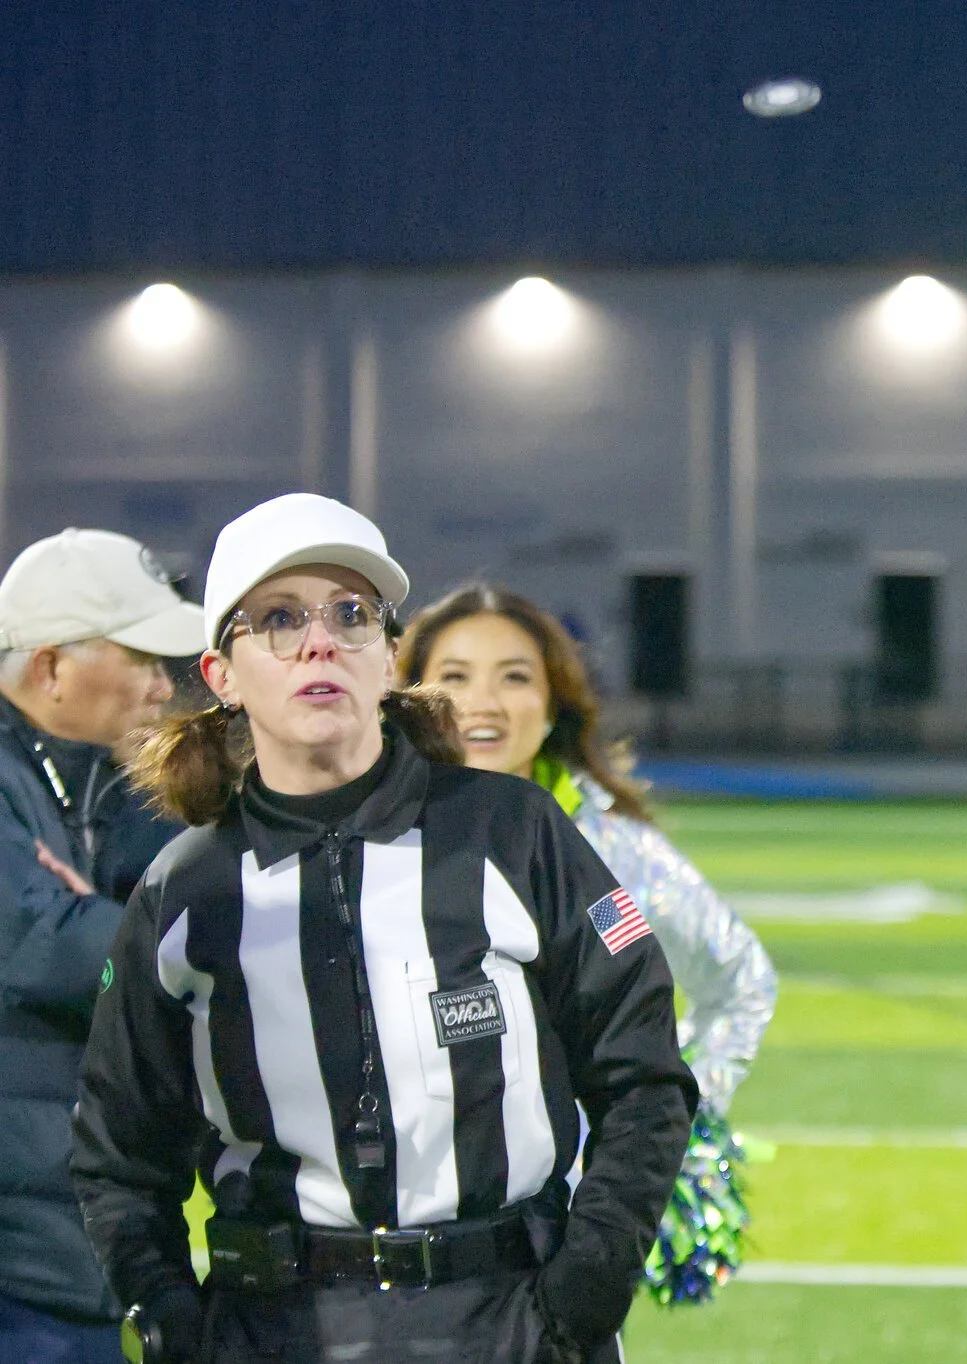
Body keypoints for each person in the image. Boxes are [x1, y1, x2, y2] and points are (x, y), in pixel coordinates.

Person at [70, 494, 696, 1364]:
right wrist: (180, 1328)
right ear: (221, 674)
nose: (320, 641)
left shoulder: (510, 833)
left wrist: (581, 1297)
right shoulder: (186, 892)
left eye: (351, 615)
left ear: (391, 656)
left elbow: (644, 1078)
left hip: (512, 1320)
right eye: (279, 619)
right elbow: (119, 1158)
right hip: (274, 1328)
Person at [395, 583, 776, 1302]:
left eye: (515, 677)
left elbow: (741, 980)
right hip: (393, 1230)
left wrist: (674, 1117)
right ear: (407, 697)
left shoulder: (615, 853)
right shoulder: (366, 842)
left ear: (553, 706)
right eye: (453, 677)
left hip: (563, 1232)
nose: (484, 702)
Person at [0, 529, 204, 1364]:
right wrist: (145, 935)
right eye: (144, 659)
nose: (165, 686)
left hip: (72, 1255)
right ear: (50, 668)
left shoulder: (102, 791)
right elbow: (41, 944)